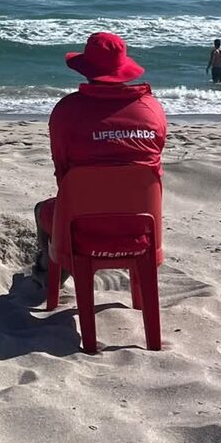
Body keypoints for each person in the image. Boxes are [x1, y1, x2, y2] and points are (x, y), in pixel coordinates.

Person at [34, 32, 167, 274]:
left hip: (82, 229)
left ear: (86, 69)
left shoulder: (67, 111)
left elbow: (63, 176)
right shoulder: (152, 110)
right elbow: (154, 164)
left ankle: (46, 273)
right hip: (140, 230)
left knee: (43, 209)